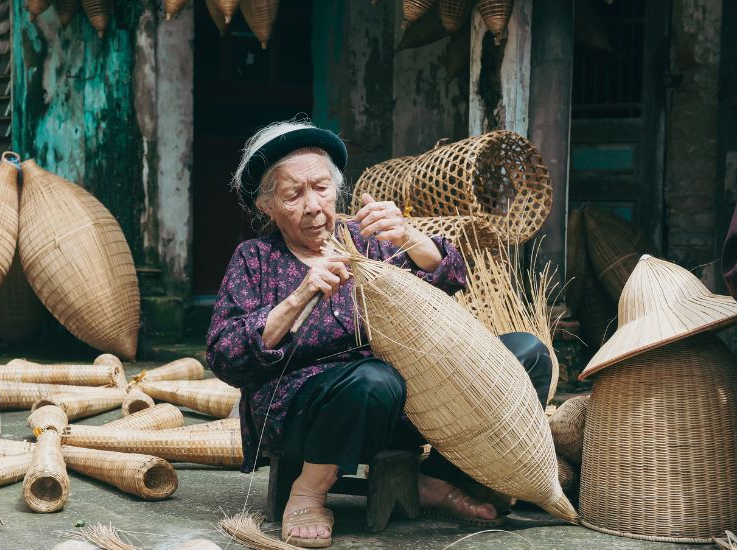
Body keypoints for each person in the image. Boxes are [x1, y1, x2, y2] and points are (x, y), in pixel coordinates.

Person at [206, 120, 554, 548]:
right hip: (310, 414)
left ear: (337, 189)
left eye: (321, 187)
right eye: (294, 195)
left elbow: (449, 276)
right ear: (267, 207)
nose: (313, 205)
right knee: (373, 379)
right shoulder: (255, 258)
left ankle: (435, 479)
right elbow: (225, 354)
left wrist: (410, 236)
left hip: (409, 404)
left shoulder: (366, 241)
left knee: (528, 353)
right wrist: (299, 297)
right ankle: (310, 489)